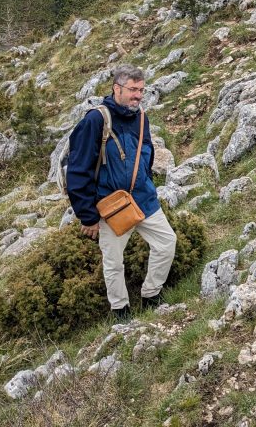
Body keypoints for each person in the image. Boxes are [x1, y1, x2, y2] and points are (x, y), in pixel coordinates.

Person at [66, 64, 176, 320]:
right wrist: (88, 216)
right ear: (117, 88)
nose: (138, 95)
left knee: (167, 243)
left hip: (144, 199)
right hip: (111, 205)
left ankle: (151, 294)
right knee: (114, 262)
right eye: (133, 90)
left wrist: (145, 182)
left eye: (141, 90)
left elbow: (146, 152)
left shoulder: (141, 117)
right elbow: (78, 170)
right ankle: (120, 310)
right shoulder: (96, 120)